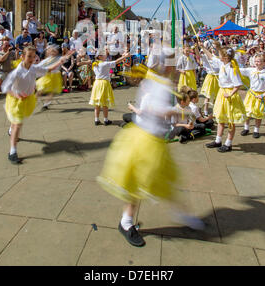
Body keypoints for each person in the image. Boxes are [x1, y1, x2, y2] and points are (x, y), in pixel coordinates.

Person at [97, 50, 204, 248]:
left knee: (164, 179)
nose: (177, 69)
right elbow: (150, 109)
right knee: (139, 182)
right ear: (167, 66)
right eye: (173, 65)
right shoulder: (156, 84)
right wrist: (175, 112)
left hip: (154, 142)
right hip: (144, 141)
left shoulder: (162, 83)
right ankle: (127, 222)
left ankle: (181, 214)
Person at [2, 46, 72, 164]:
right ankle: (12, 152)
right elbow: (5, 87)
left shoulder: (34, 68)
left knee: (18, 122)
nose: (32, 59)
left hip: (28, 99)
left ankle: (11, 128)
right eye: (29, 56)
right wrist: (16, 94)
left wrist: (60, 61)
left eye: (34, 57)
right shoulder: (17, 72)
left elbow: (47, 69)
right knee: (18, 124)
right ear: (22, 56)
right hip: (16, 101)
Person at [203, 47, 246, 153]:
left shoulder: (232, 68)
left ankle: (228, 143)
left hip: (229, 95)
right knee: (220, 118)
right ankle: (218, 140)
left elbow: (238, 84)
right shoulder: (222, 64)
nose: (218, 55)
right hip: (222, 93)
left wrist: (230, 94)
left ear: (225, 57)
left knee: (230, 121)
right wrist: (203, 47)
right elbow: (211, 57)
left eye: (220, 54)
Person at [89, 49, 130, 126]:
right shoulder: (104, 64)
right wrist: (124, 56)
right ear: (100, 56)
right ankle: (106, 120)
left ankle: (96, 120)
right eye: (104, 54)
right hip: (104, 84)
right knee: (105, 103)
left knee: (97, 103)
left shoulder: (95, 64)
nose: (106, 55)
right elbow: (116, 62)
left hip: (97, 83)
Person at [240, 53, 265, 138]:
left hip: (261, 96)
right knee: (247, 112)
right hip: (251, 95)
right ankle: (246, 128)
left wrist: (263, 95)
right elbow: (239, 70)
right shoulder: (251, 70)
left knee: (258, 113)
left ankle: (256, 130)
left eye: (259, 61)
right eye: (255, 61)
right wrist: (232, 64)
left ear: (264, 63)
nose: (256, 63)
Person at [36, 45, 68, 110]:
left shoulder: (59, 58)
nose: (53, 53)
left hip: (55, 76)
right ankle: (34, 99)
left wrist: (66, 56)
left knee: (52, 91)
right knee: (41, 88)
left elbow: (65, 59)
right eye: (51, 51)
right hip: (48, 76)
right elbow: (40, 66)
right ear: (48, 52)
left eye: (54, 51)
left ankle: (46, 104)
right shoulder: (47, 60)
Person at [200, 44, 220, 116]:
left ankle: (215, 111)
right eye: (212, 48)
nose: (214, 49)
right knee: (207, 96)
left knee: (217, 96)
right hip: (211, 77)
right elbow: (198, 56)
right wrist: (198, 47)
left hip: (218, 78)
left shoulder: (220, 58)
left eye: (215, 48)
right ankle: (205, 112)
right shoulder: (207, 57)